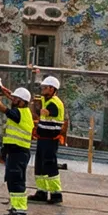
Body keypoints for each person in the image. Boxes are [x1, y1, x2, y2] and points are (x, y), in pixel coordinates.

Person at [0, 80, 34, 215]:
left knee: (16, 181)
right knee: (12, 181)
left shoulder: (20, 114)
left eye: (16, 99)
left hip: (19, 153)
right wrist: (7, 93)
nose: (14, 100)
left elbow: (5, 110)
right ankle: (16, 208)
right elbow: (12, 104)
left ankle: (20, 212)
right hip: (16, 152)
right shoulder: (21, 110)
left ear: (22, 102)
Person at [31, 75, 66, 205]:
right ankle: (42, 191)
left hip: (50, 140)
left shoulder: (54, 103)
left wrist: (34, 107)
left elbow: (43, 112)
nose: (42, 90)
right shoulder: (46, 99)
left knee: (50, 165)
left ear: (52, 89)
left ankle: (56, 194)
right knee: (40, 165)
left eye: (45, 88)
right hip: (43, 138)